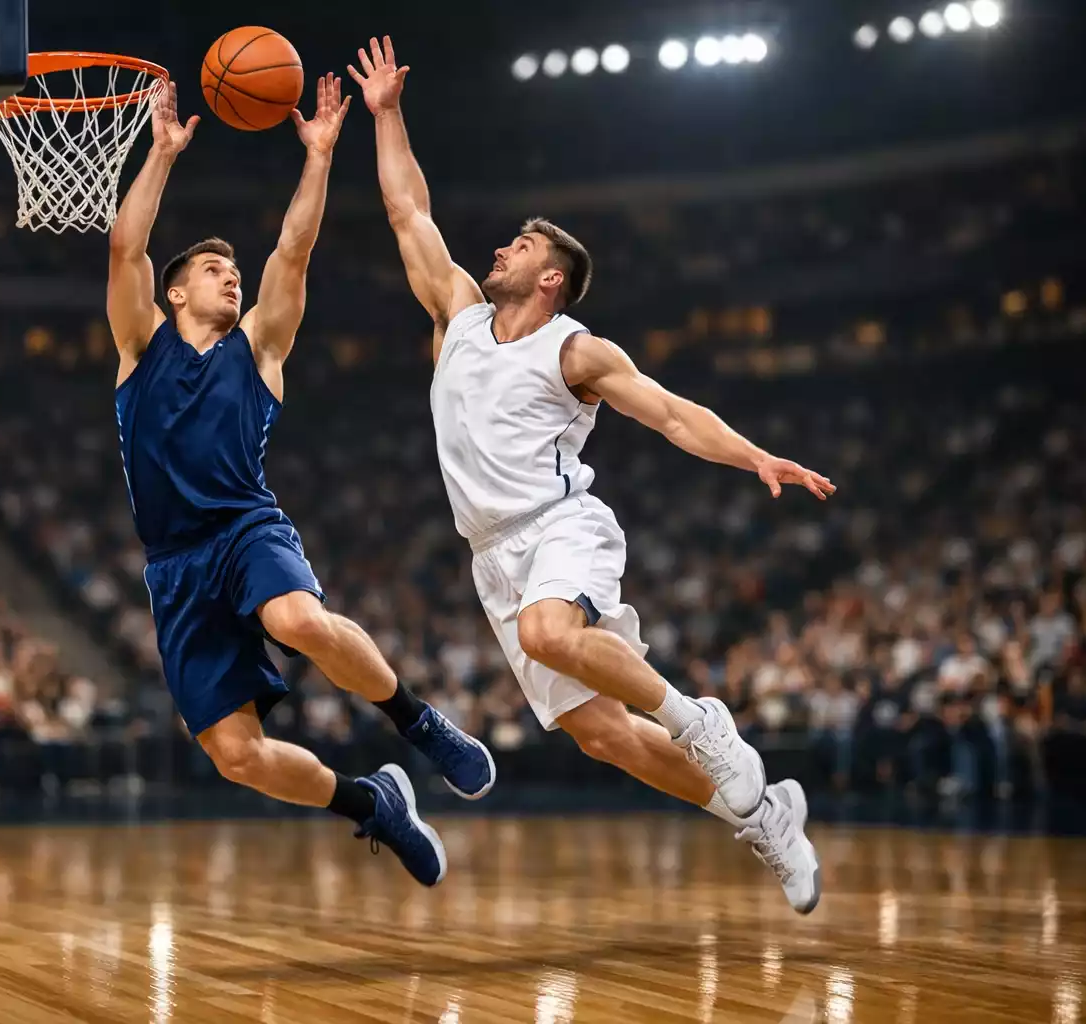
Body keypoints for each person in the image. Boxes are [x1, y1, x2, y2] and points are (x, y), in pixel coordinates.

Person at [349, 36, 827, 912]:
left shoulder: (573, 348)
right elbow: (406, 211)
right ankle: (763, 819)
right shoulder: (456, 315)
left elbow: (673, 413)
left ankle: (701, 721)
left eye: (521, 245)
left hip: (560, 526)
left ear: (552, 278)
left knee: (546, 634)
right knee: (604, 737)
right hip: (490, 551)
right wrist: (387, 115)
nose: (501, 249)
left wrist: (755, 454)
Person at [106, 75, 493, 887]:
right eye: (213, 269)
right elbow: (125, 247)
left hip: (245, 527)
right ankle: (374, 807)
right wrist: (162, 155)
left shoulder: (261, 348)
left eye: (231, 271)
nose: (230, 277)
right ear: (176, 292)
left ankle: (419, 726)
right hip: (173, 563)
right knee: (237, 758)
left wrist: (318, 158)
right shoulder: (142, 346)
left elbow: (294, 248)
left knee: (296, 618)